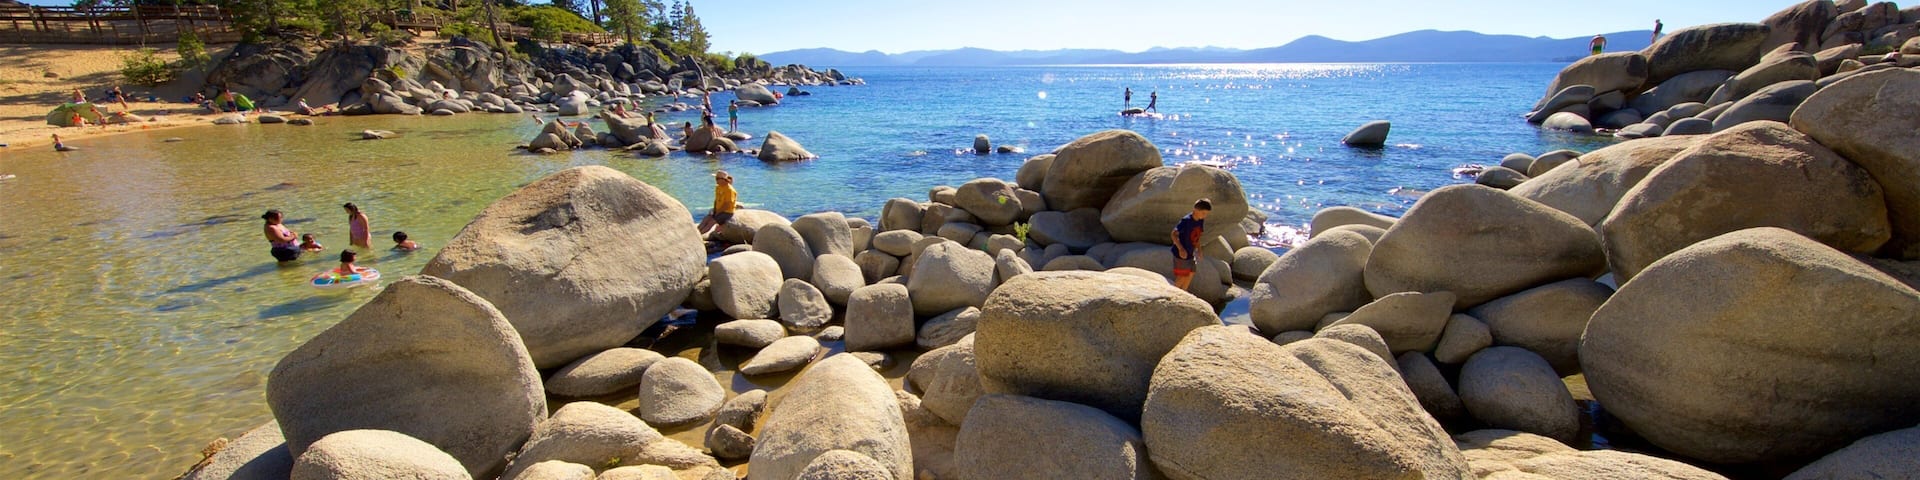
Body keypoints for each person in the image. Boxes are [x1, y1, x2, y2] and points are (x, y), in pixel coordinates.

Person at [1170, 198, 1211, 291]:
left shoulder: (1200, 220)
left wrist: (1199, 250)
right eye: (1203, 213)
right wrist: (1181, 249)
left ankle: (1183, 292)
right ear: (1196, 210)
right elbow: (1173, 234)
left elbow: (1198, 236)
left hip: (1190, 252)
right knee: (1183, 275)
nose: (1205, 216)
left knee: (1191, 272)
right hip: (1181, 253)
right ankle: (1173, 293)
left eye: (1206, 214)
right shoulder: (1186, 221)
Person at [697, 171, 738, 240]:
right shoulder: (718, 187)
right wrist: (714, 210)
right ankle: (695, 233)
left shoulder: (730, 190)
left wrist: (718, 212)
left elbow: (727, 205)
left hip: (727, 212)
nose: (716, 180)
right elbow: (716, 200)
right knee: (705, 219)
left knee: (710, 223)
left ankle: (698, 237)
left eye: (717, 179)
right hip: (718, 210)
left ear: (723, 180)